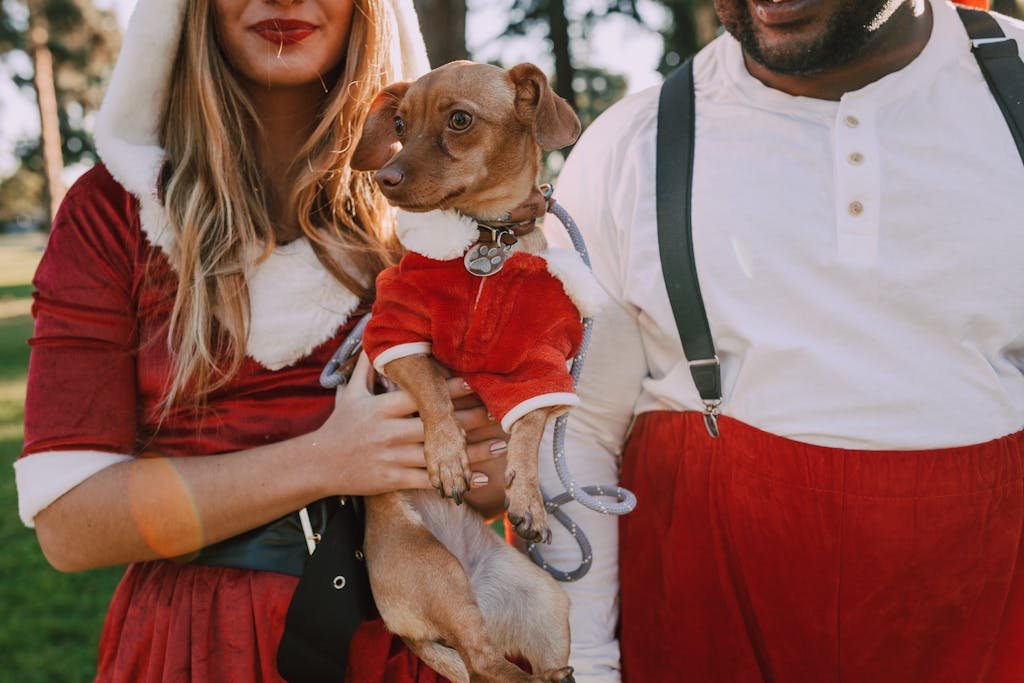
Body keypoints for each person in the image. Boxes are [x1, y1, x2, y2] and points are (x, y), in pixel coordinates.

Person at [14, 0, 518, 680]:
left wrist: (494, 457)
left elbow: (491, 485)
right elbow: (70, 524)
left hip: (408, 633)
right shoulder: (113, 212)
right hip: (196, 646)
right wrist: (327, 460)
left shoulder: (435, 224)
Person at [538, 0, 1024, 680]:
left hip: (993, 631)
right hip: (706, 632)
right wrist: (581, 663)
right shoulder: (631, 144)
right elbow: (577, 432)